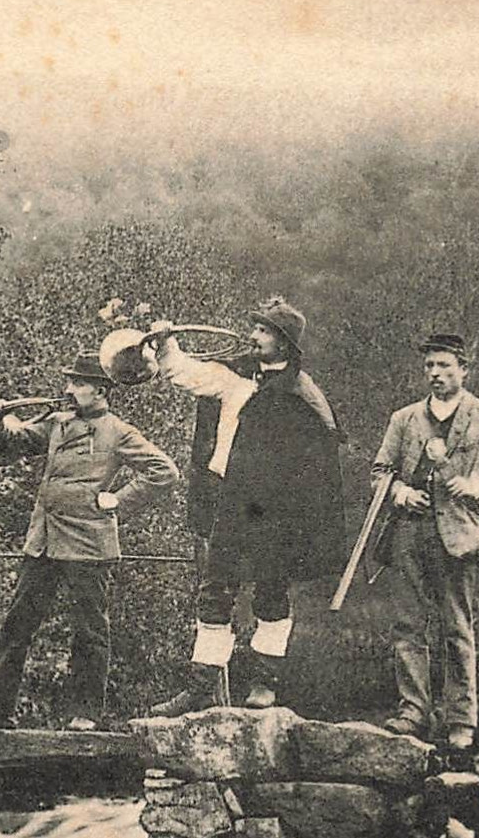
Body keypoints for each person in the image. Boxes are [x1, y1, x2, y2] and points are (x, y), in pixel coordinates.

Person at [0, 350, 179, 730]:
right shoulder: (58, 422)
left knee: (89, 631)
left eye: (78, 383)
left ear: (100, 390)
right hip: (44, 541)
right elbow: (13, 440)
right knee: (17, 625)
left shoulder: (118, 431)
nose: (69, 389)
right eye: (69, 381)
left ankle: (84, 714)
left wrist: (116, 500)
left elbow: (164, 472)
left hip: (88, 543)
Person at [148, 297, 346, 715]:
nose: (254, 337)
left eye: (265, 332)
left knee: (271, 592)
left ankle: (265, 683)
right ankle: (203, 684)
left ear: (284, 344)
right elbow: (188, 374)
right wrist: (165, 345)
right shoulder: (235, 377)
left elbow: (315, 465)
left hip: (274, 510)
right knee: (215, 589)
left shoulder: (301, 395)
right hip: (229, 500)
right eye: (255, 329)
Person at [371, 333, 479, 749]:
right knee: (407, 626)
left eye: (444, 366)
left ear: (463, 369)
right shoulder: (404, 418)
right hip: (409, 533)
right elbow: (380, 470)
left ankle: (461, 720)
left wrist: (478, 484)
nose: (436, 374)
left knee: (457, 628)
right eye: (430, 367)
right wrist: (399, 493)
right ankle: (412, 712)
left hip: (458, 534)